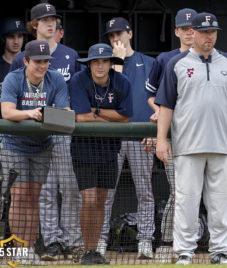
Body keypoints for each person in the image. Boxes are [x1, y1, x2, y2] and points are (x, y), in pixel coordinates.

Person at [155, 12, 227, 265]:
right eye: (204, 31)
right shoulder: (175, 63)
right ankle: (184, 253)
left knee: (221, 203)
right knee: (186, 202)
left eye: (213, 31)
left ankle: (220, 252)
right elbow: (165, 105)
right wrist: (161, 139)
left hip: (222, 145)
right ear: (193, 33)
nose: (209, 36)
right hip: (186, 146)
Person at [8, 3, 83, 261]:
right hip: (24, 138)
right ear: (35, 25)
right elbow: (10, 102)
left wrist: (55, 114)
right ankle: (44, 242)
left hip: (57, 132)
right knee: (34, 193)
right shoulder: (19, 62)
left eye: (54, 19)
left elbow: (69, 103)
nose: (50, 24)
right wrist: (31, 112)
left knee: (67, 187)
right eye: (45, 19)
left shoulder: (69, 56)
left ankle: (71, 241)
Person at [0, 40, 69, 265]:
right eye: (38, 61)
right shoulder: (14, 78)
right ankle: (20, 252)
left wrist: (47, 115)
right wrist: (31, 114)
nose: (42, 66)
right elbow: (7, 112)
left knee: (33, 197)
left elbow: (64, 114)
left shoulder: (56, 78)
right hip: (13, 145)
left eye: (46, 61)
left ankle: (29, 250)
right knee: (19, 197)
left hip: (42, 146)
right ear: (26, 61)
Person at [69, 43, 133, 265]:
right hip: (83, 148)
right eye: (95, 61)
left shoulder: (122, 82)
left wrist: (95, 111)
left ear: (110, 63)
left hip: (109, 149)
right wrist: (108, 115)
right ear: (90, 64)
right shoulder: (79, 79)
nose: (99, 65)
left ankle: (95, 250)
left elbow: (125, 118)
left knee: (101, 202)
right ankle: (87, 251)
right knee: (89, 200)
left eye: (104, 61)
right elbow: (79, 116)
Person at [98, 16, 155, 259]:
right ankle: (99, 241)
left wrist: (156, 132)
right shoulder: (103, 65)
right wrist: (117, 63)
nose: (115, 39)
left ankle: (145, 241)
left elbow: (160, 101)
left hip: (141, 136)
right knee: (106, 192)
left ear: (130, 34)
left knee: (145, 191)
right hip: (112, 137)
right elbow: (109, 99)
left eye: (119, 34)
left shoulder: (149, 62)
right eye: (111, 36)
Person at [145, 7, 197, 263]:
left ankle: (190, 244)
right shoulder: (165, 59)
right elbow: (151, 96)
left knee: (201, 193)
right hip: (176, 136)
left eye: (193, 28)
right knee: (179, 191)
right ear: (176, 31)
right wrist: (160, 112)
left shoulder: (211, 58)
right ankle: (167, 242)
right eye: (184, 28)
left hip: (201, 135)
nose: (189, 32)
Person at [0, 17, 26, 87]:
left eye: (20, 36)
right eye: (11, 37)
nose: (16, 42)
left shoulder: (32, 64)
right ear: (3, 39)